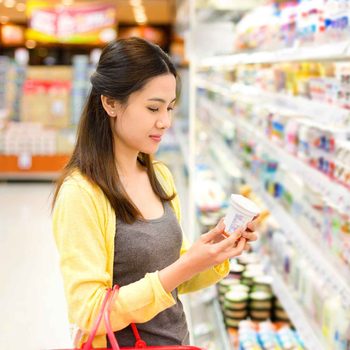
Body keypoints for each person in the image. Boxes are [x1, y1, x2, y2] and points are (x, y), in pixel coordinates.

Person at [52, 37, 258, 348]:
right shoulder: (81, 193)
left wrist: (214, 251)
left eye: (170, 108)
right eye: (153, 108)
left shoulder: (158, 175)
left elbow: (173, 280)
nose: (165, 122)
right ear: (110, 103)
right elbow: (88, 310)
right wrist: (185, 265)